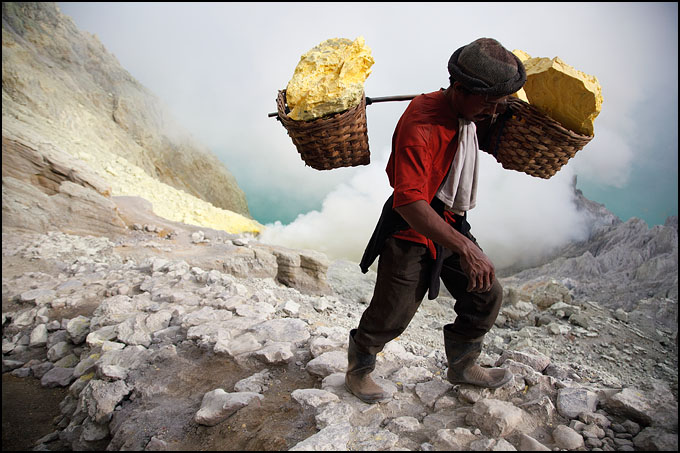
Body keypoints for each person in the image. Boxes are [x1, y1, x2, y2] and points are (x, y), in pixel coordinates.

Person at [345, 38, 527, 404]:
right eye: (487, 102)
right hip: (412, 227)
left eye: (498, 102)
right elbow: (409, 201)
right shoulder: (420, 125)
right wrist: (465, 248)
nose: (493, 111)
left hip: (448, 218)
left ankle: (462, 365)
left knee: (486, 293)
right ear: (459, 89)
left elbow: (493, 117)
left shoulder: (469, 113)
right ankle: (359, 368)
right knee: (392, 312)